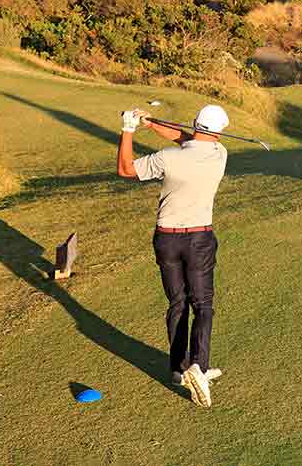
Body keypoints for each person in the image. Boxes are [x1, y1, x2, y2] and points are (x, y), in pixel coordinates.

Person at [116, 104, 230, 407]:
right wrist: (151, 123)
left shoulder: (168, 158)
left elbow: (126, 169)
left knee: (177, 302)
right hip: (199, 239)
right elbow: (187, 139)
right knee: (203, 305)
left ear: (195, 124)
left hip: (166, 239)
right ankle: (198, 368)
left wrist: (130, 129)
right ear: (218, 132)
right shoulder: (221, 155)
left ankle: (179, 370)